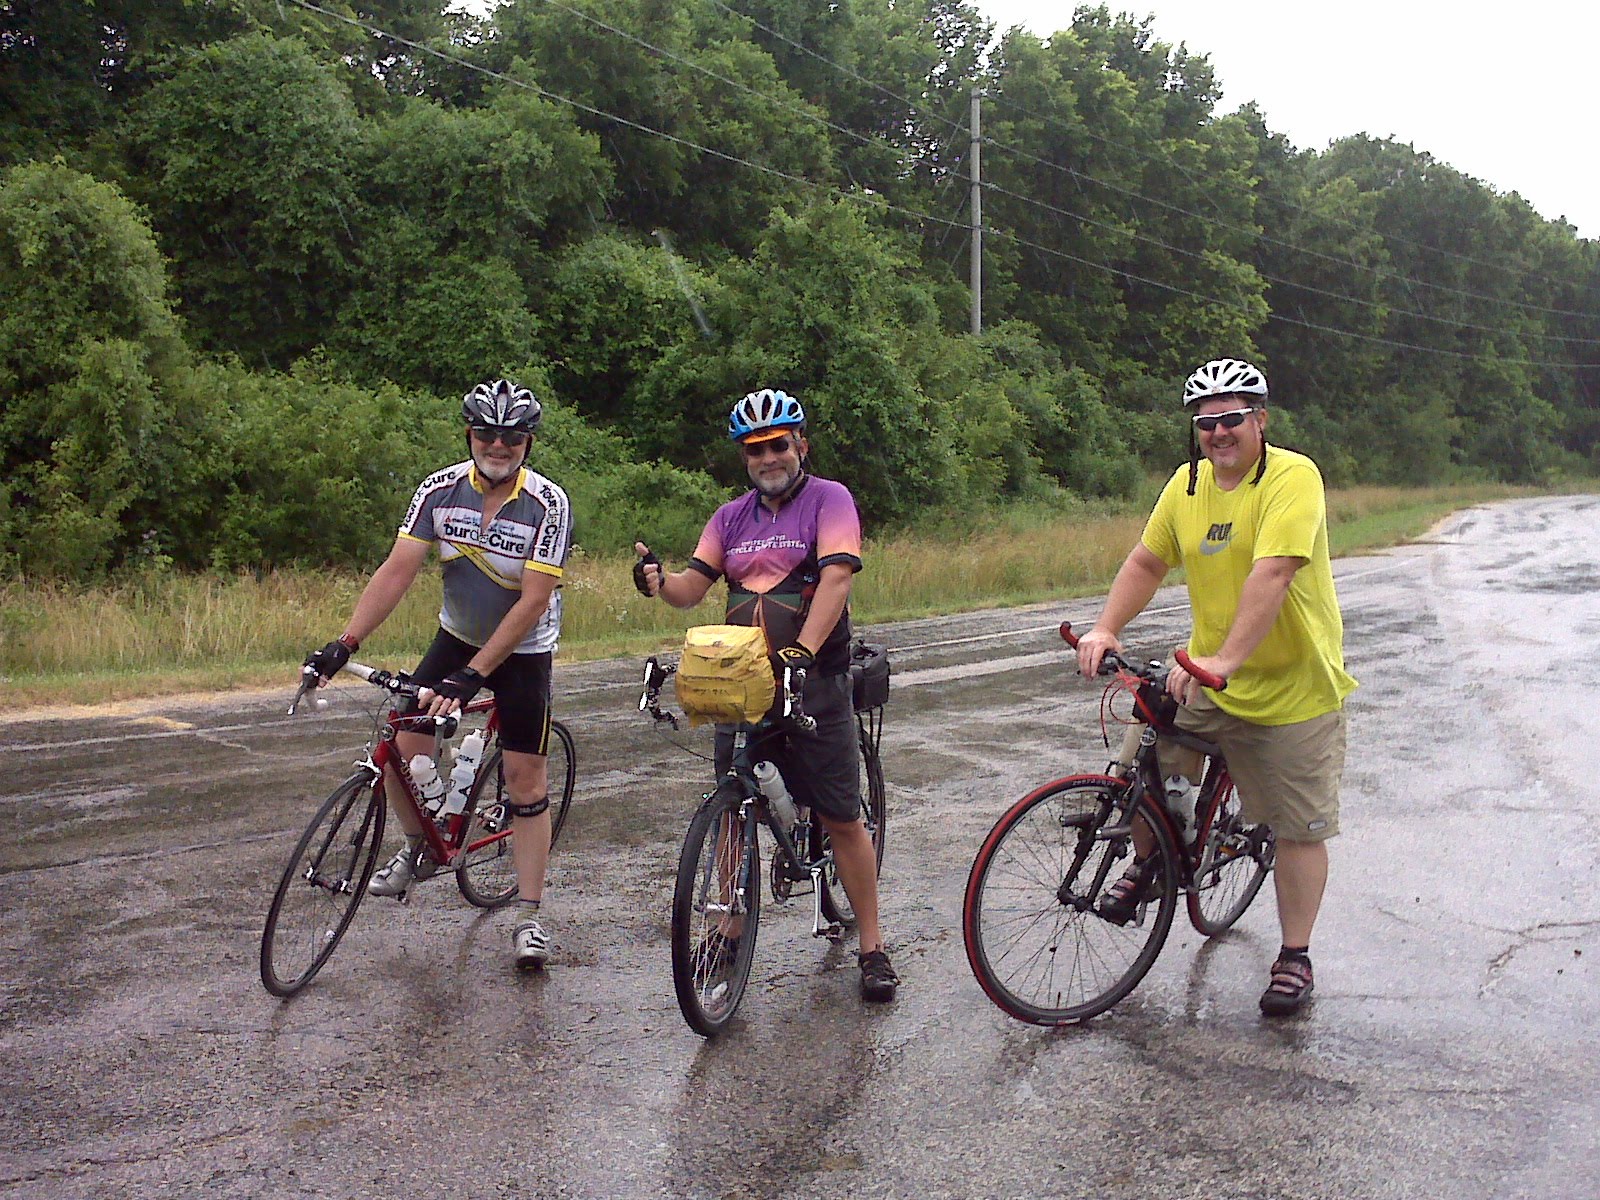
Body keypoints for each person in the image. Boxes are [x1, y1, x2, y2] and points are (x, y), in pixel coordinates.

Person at [1074, 358, 1355, 1016]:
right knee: (1143, 750)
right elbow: (1148, 559)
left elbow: (1275, 571)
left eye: (1231, 418)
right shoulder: (1187, 484)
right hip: (1208, 674)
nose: (1218, 432)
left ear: (1260, 420)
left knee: (1297, 828)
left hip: (1291, 689)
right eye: (1205, 422)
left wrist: (1227, 658)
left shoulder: (1293, 476)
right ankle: (1152, 864)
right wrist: (1105, 627)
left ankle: (1294, 955)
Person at [631, 388, 898, 1003]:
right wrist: (657, 581)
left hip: (814, 680)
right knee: (734, 804)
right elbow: (690, 590)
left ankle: (873, 944)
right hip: (742, 684)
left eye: (778, 445)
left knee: (840, 814)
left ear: (800, 444)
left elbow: (834, 580)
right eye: (755, 449)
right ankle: (726, 929)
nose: (768, 457)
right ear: (744, 457)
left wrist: (802, 652)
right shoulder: (731, 517)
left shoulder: (829, 500)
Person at [303, 379, 573, 971]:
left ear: (527, 443)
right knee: (403, 737)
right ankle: (419, 845)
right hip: (457, 635)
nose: (497, 446)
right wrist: (345, 644)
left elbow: (531, 602)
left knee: (526, 779)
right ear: (470, 435)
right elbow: (398, 569)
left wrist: (475, 675)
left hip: (524, 649)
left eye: (511, 437)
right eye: (486, 434)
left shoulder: (548, 504)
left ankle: (529, 916)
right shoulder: (439, 489)